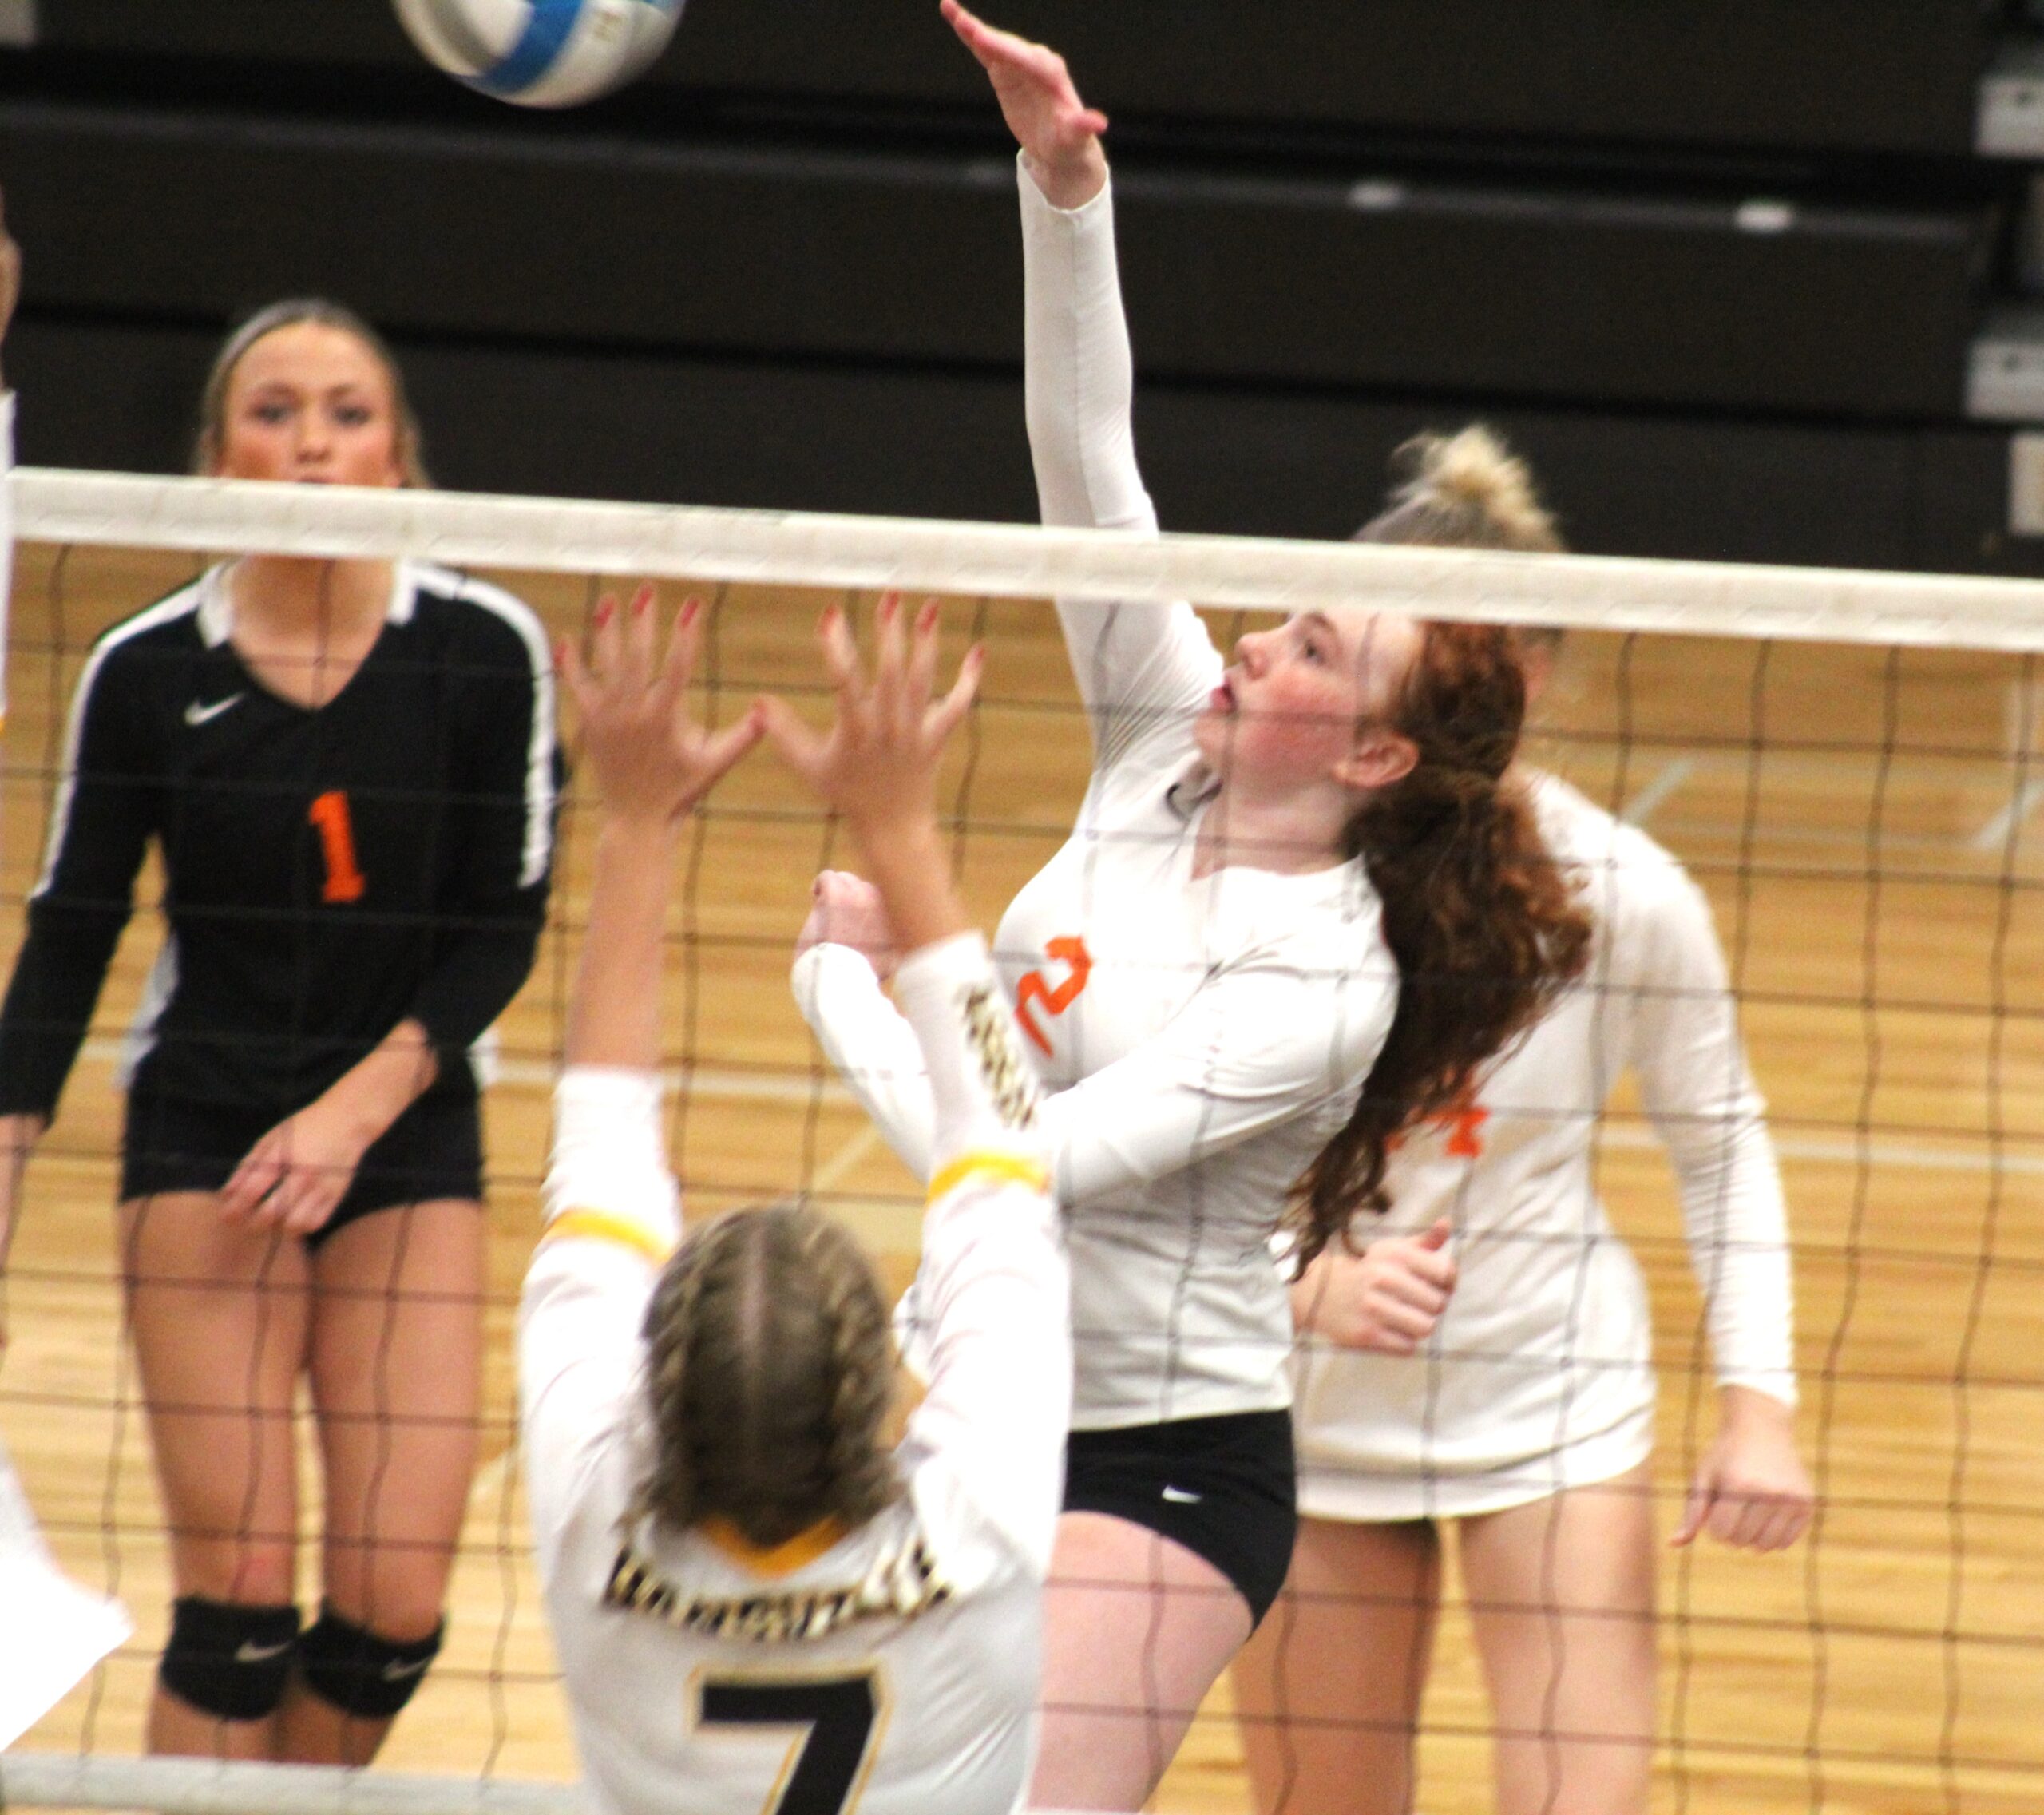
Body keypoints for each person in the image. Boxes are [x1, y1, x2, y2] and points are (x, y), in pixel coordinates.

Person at [787, 9, 1593, 1806]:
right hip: (969, 1395)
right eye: (1278, 614)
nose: (1248, 639)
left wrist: (843, 986)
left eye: (1308, 648)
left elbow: (1009, 1165)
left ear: (1374, 754)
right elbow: (1090, 467)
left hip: (1157, 1460)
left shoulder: (1322, 980)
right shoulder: (1164, 739)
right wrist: (1060, 188)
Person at [0, 299, 559, 1764]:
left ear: (398, 459)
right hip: (208, 1129)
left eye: (346, 413)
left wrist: (355, 1111)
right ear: (213, 460)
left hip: (403, 1126)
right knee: (237, 1609)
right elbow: (71, 930)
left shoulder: (482, 649)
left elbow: (500, 927)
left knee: (392, 1613)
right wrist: (4, 1152)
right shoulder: (145, 668)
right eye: (274, 410)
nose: (311, 441)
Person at [1230, 429, 1815, 1815]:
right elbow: (1135, 1167)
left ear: (1516, 675)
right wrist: (1294, 1277)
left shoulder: (1623, 890)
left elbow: (1721, 1141)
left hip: (1552, 1402)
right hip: (1308, 1411)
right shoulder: (1245, 885)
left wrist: (1761, 1406)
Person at [523, 589, 1069, 1815]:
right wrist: (901, 828)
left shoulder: (592, 1518)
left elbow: (598, 1155)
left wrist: (635, 821)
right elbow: (1004, 1146)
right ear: (872, 1380)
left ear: (659, 1388)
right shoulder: (979, 1521)